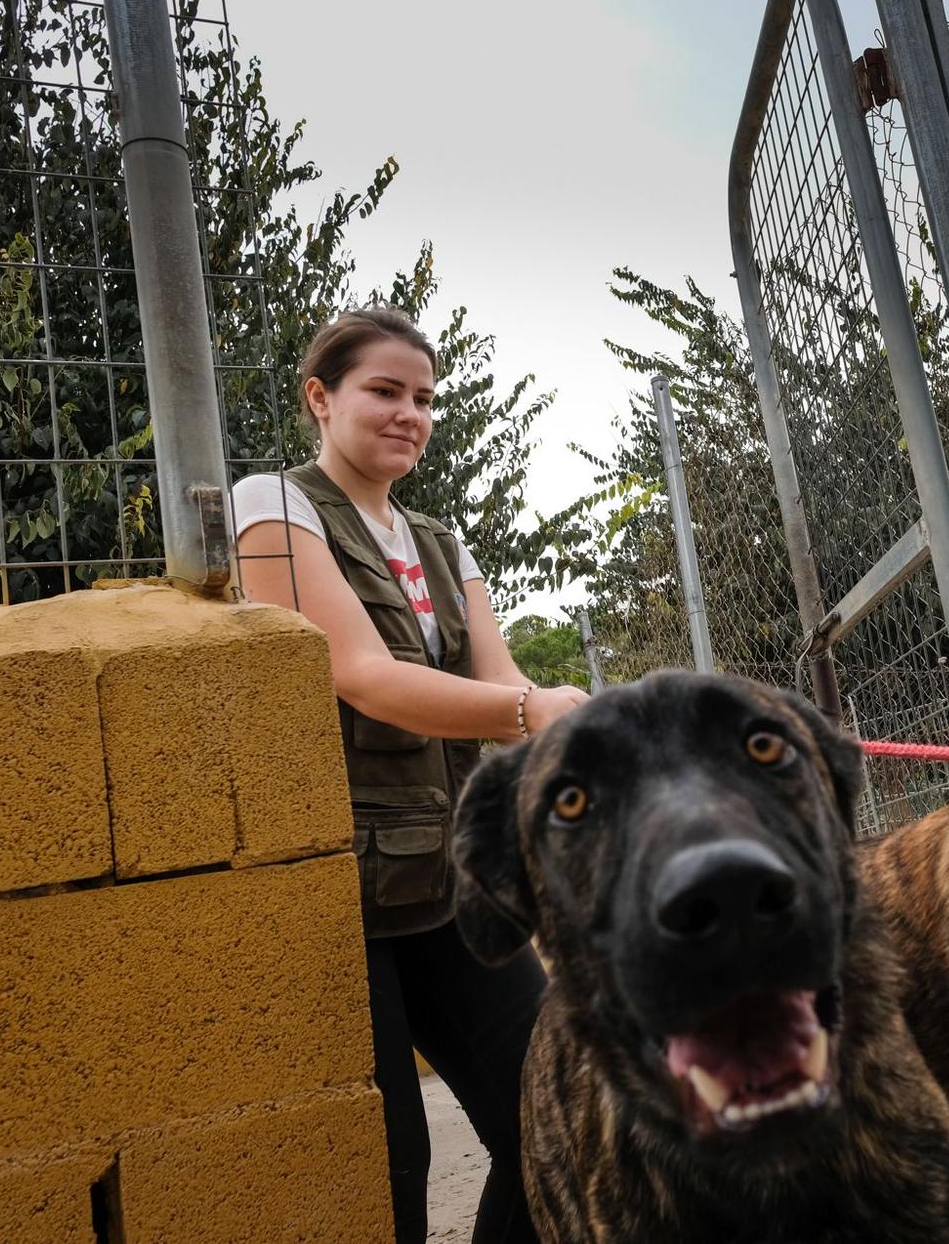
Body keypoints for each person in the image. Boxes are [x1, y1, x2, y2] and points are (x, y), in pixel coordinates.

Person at [234, 308, 586, 1244]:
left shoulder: (437, 536)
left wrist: (574, 716)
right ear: (321, 397)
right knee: (387, 1164)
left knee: (565, 1122)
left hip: (449, 879)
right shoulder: (272, 505)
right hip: (339, 887)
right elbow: (362, 675)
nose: (410, 414)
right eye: (384, 391)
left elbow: (499, 676)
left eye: (424, 397)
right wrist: (527, 712)